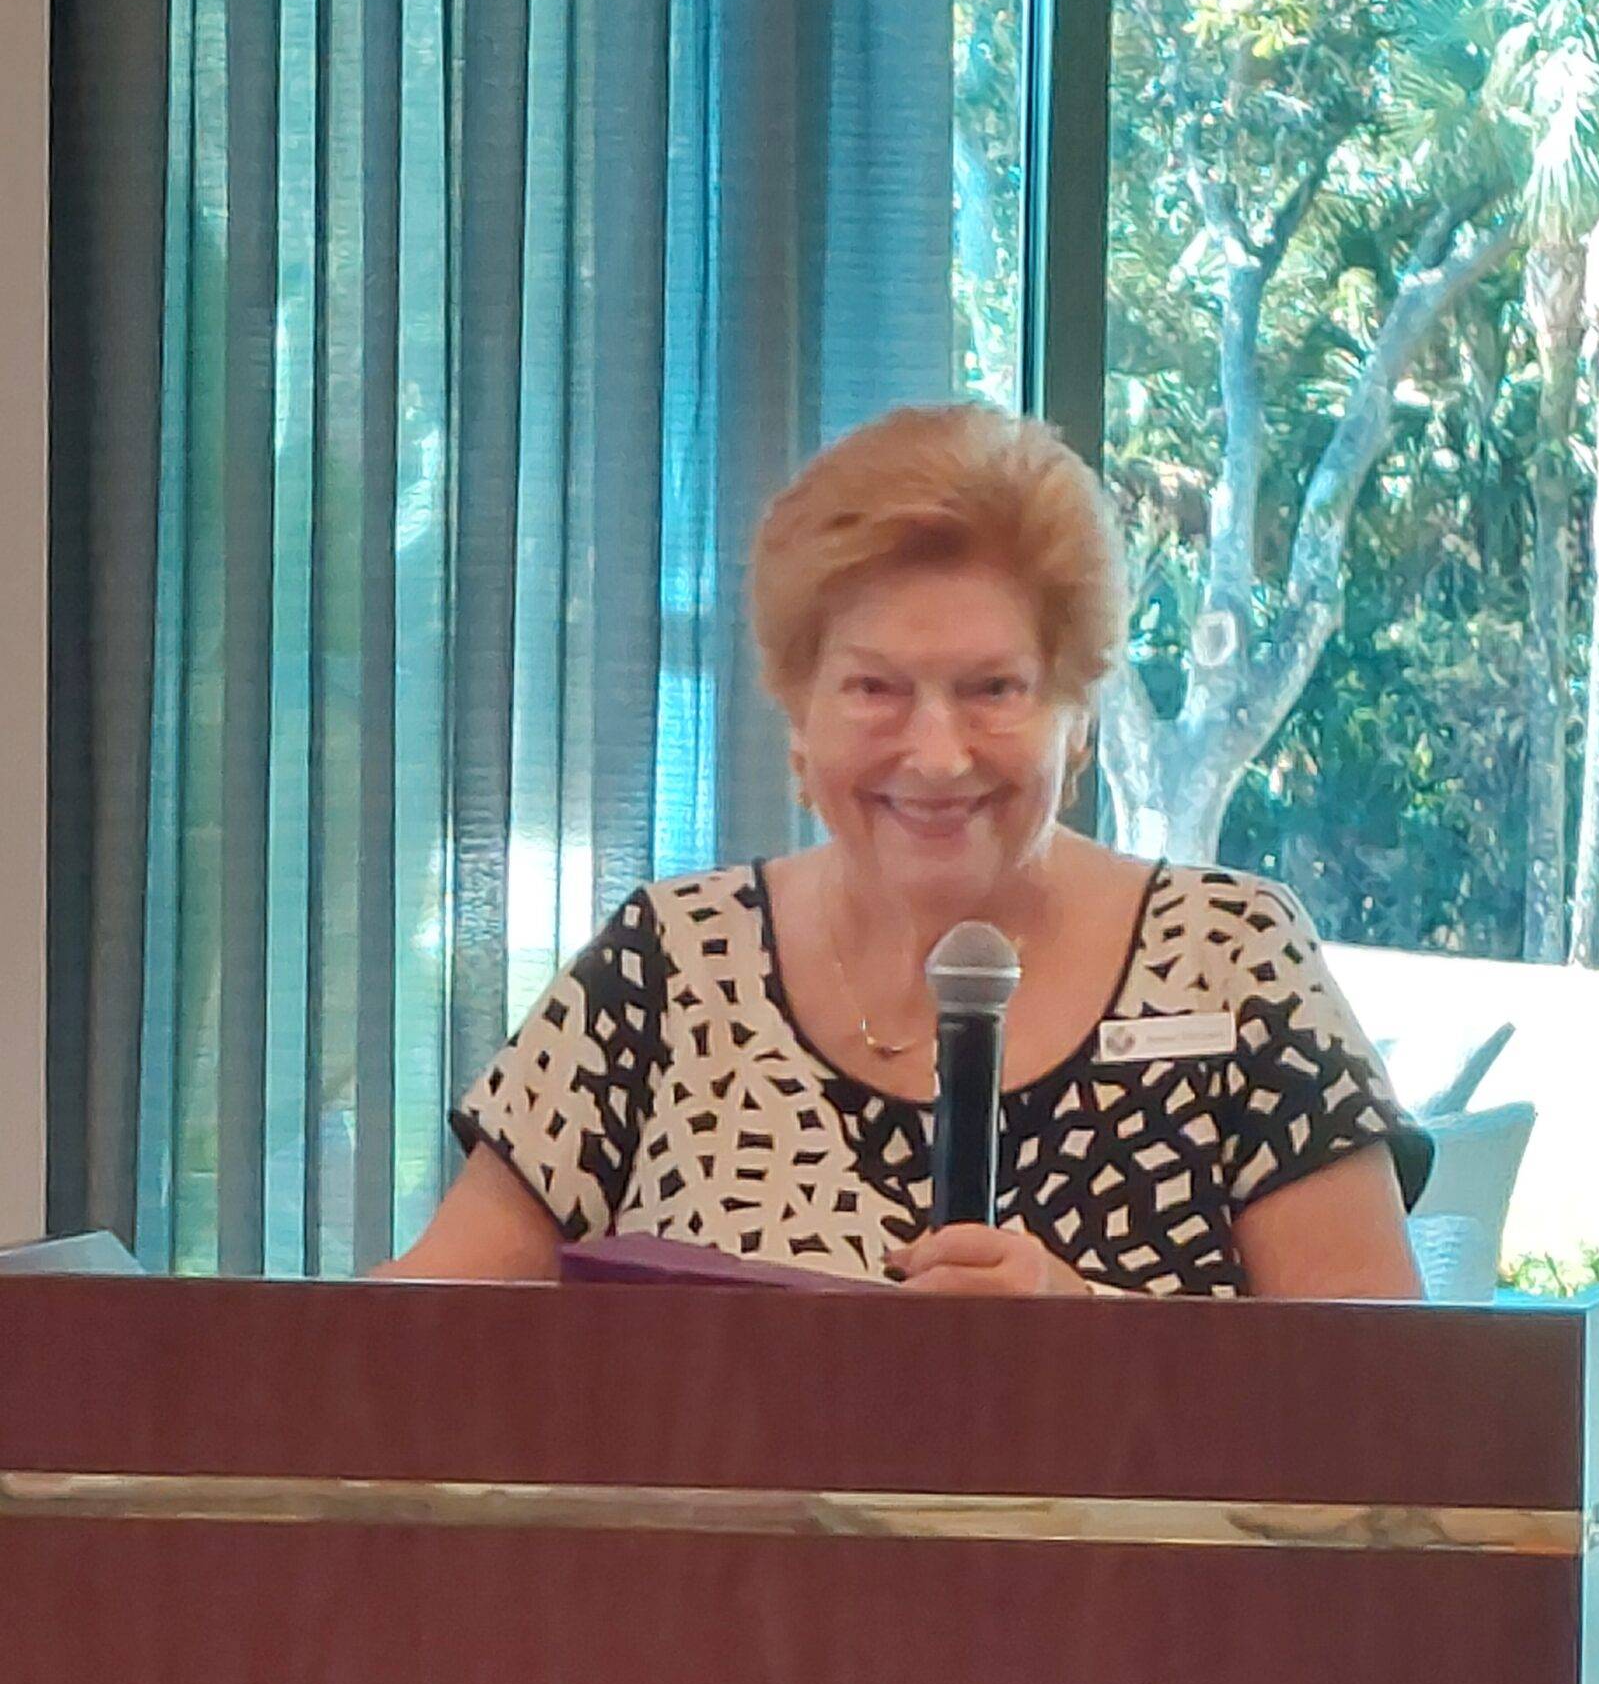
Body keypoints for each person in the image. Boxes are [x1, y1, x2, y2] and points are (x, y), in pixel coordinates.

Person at [380, 403, 1429, 1297]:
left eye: (994, 689)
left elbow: (1383, 1405)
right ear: (797, 714)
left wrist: (1098, 1344)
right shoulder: (668, 964)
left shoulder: (1231, 959)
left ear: (1078, 718)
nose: (935, 755)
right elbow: (402, 1347)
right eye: (874, 689)